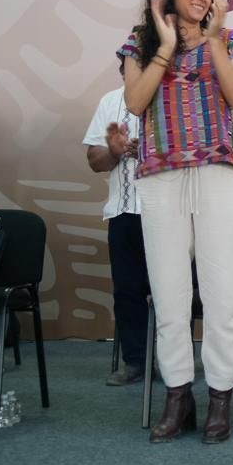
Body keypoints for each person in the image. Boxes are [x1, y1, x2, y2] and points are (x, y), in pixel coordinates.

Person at [118, 0, 233, 444]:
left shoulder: (229, 39)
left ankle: (220, 394)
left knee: (223, 293)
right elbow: (135, 103)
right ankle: (178, 394)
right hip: (160, 177)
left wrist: (213, 37)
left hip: (218, 174)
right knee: (171, 295)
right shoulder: (140, 42)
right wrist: (168, 44)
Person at [83, 86, 150, 386]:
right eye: (129, 62)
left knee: (174, 292)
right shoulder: (110, 101)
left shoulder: (178, 94)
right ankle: (134, 361)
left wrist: (149, 151)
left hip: (170, 214)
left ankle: (174, 361)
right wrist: (115, 149)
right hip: (124, 211)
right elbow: (95, 161)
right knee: (127, 291)